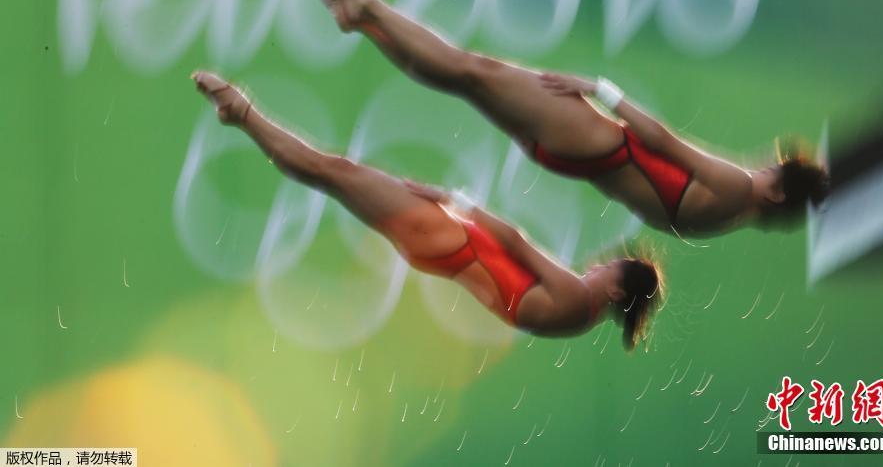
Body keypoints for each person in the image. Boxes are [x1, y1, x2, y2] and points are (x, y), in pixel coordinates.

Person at [307, 0, 829, 237]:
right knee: (464, 79)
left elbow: (664, 142)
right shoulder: (723, 221)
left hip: (594, 141)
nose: (761, 166)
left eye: (772, 171)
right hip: (573, 156)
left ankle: (367, 5)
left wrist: (602, 90)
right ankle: (365, 22)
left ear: (776, 194)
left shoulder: (736, 188)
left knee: (470, 69)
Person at [191, 72, 662, 348]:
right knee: (332, 174)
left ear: (617, 289)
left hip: (449, 237)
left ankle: (240, 111)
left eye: (607, 267)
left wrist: (454, 201)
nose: (595, 265)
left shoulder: (578, 297)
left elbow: (516, 244)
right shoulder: (578, 320)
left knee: (331, 171)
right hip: (444, 249)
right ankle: (241, 114)